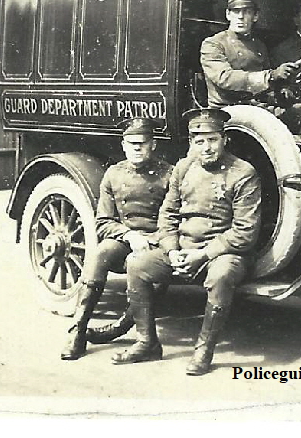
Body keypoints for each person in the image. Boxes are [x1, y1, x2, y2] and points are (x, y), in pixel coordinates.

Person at [111, 108, 261, 376]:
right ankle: (146, 342)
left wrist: (202, 255)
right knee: (137, 264)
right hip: (183, 248)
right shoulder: (183, 168)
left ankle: (204, 350)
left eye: (212, 140)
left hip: (223, 252)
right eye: (198, 141)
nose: (206, 148)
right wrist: (171, 250)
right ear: (191, 142)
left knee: (221, 276)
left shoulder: (243, 173)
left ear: (224, 139)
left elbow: (244, 232)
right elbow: (167, 214)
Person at [60, 117, 173, 360]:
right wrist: (129, 235)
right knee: (101, 253)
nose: (136, 148)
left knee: (140, 263)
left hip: (158, 240)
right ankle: (77, 330)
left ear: (152, 145)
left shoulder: (168, 174)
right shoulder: (114, 174)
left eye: (142, 143)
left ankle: (123, 328)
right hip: (126, 237)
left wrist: (152, 241)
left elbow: (174, 219)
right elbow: (103, 222)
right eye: (131, 143)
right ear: (123, 145)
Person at [200, 0, 298, 107]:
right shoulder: (213, 44)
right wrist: (271, 76)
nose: (241, 17)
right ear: (228, 14)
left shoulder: (259, 46)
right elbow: (225, 78)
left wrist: (280, 91)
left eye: (247, 12)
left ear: (255, 16)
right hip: (226, 112)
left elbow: (267, 86)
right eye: (236, 11)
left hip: (256, 108)